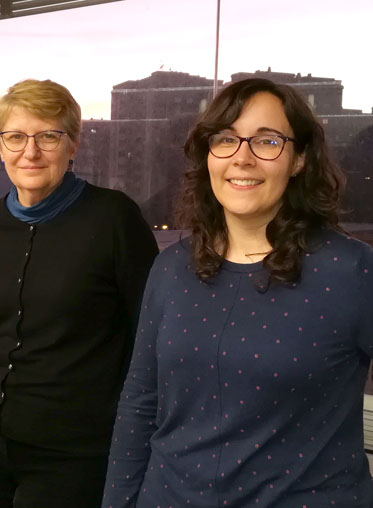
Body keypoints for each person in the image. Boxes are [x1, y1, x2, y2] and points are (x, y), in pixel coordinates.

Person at [103, 78, 373, 507]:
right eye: (226, 139)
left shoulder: (352, 271)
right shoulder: (172, 268)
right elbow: (140, 402)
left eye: (266, 141)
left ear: (299, 158)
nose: (242, 158)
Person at [0, 79, 158, 508]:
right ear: (0, 146)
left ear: (73, 144)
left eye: (48, 136)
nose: (31, 151)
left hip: (71, 450)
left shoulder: (114, 218)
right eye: (16, 137)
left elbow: (148, 335)